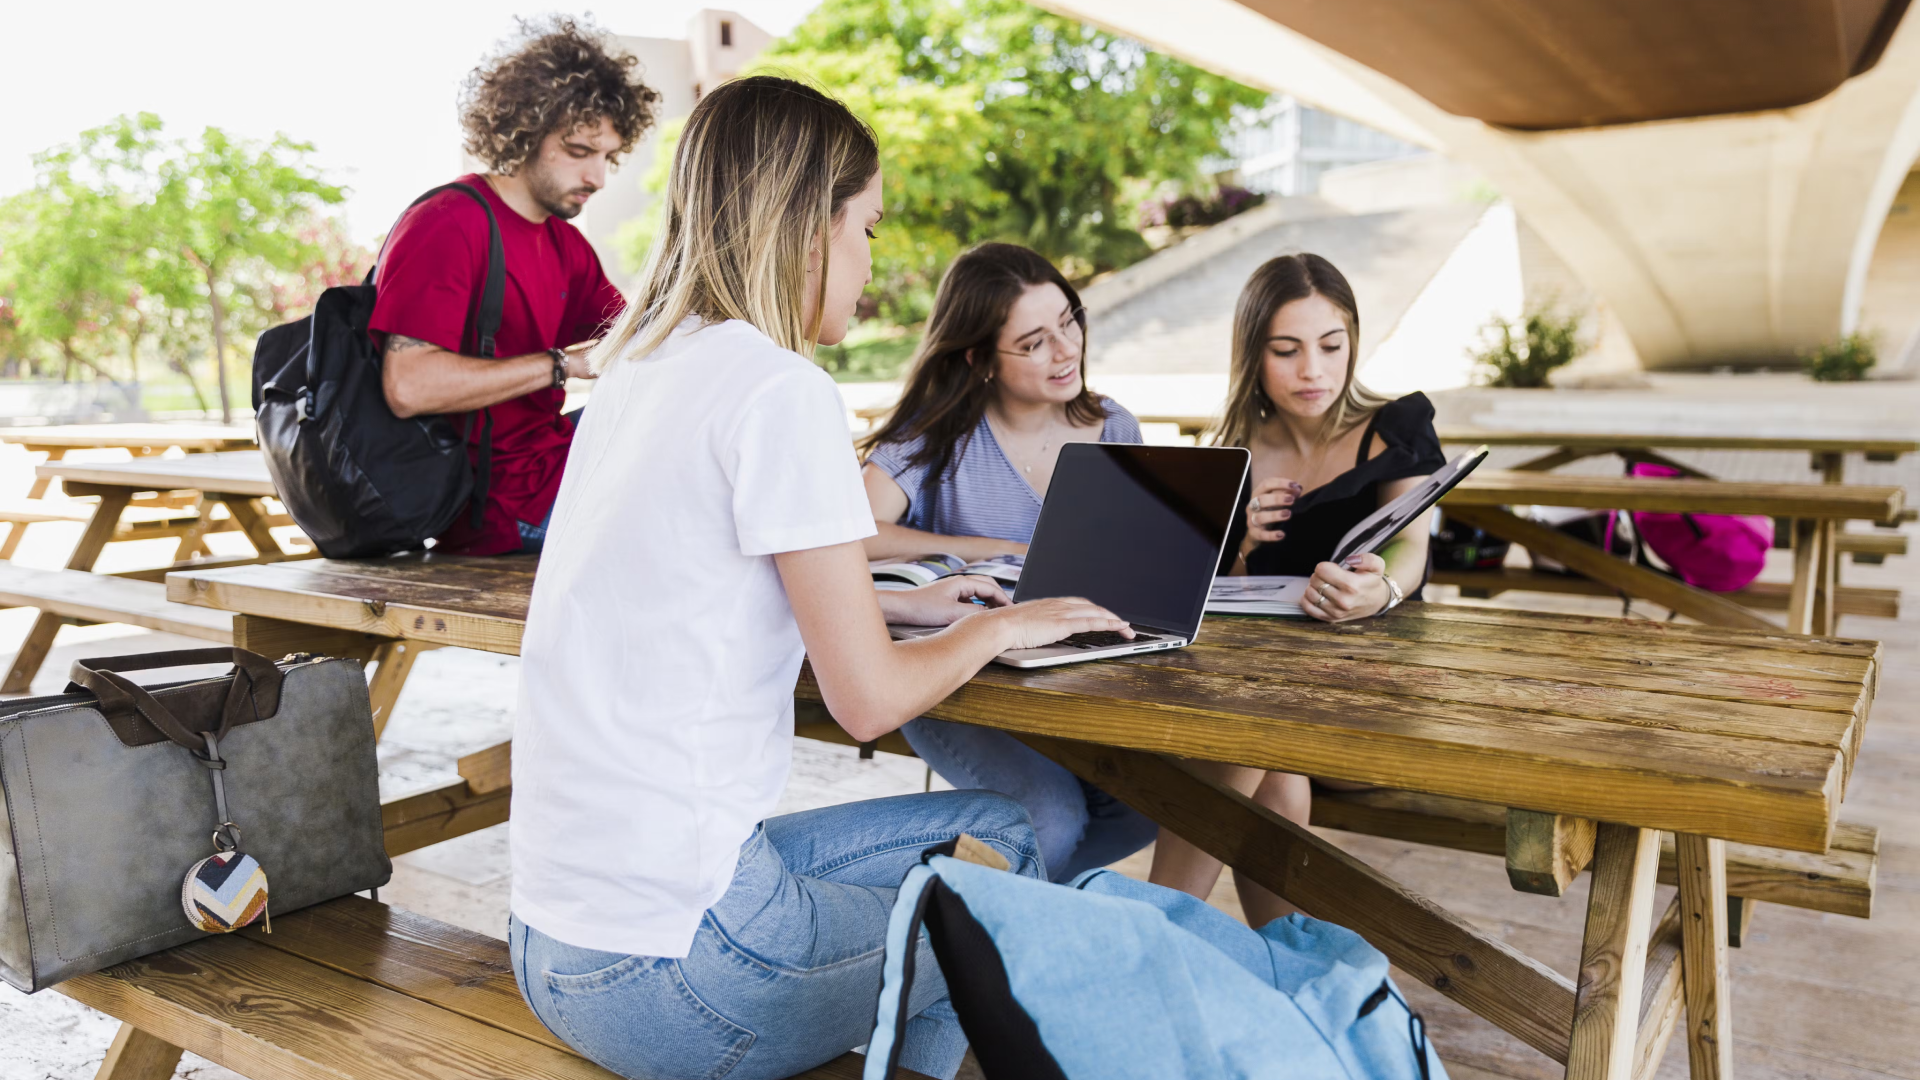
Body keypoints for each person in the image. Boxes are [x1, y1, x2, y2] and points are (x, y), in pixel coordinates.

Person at [506, 76, 1132, 1080]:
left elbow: (690, 590)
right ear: (809, 228)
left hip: (554, 942)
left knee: (1000, 827)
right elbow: (869, 701)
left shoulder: (638, 369)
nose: (871, 261)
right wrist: (994, 629)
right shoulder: (778, 387)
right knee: (1003, 877)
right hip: (676, 981)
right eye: (868, 228)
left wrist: (906, 601)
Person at [1148, 253, 1445, 927]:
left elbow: (1414, 544)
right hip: (1273, 699)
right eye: (1287, 350)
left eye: (1331, 346)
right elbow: (1222, 602)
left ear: (1353, 345)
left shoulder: (1395, 429)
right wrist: (1243, 545)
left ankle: (1156, 927)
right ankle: (1293, 963)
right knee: (1266, 755)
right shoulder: (1234, 451)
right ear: (1253, 354)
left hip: (1379, 696)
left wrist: (1383, 591)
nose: (1313, 370)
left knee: (1248, 729)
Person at [857, 242, 1159, 881]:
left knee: (1150, 803)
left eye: (1069, 321)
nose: (1065, 349)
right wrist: (995, 552)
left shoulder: (1114, 428)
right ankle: (977, 933)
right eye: (1034, 341)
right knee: (1046, 817)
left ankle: (976, 901)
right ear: (978, 358)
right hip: (955, 676)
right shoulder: (936, 435)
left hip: (1076, 671)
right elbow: (851, 536)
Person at [370, 18, 658, 555]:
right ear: (526, 130)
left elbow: (640, 340)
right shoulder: (448, 222)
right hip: (496, 508)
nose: (598, 176)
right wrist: (561, 364)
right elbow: (407, 386)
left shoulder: (566, 245)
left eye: (607, 156)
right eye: (578, 151)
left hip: (553, 471)